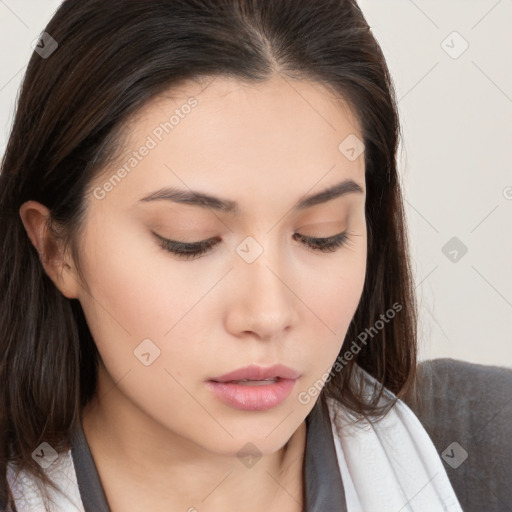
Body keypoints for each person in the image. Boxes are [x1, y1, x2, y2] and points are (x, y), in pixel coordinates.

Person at [0, 1, 510, 511]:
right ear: (55, 248)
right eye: (190, 240)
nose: (269, 314)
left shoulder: (488, 446)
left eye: (321, 235)